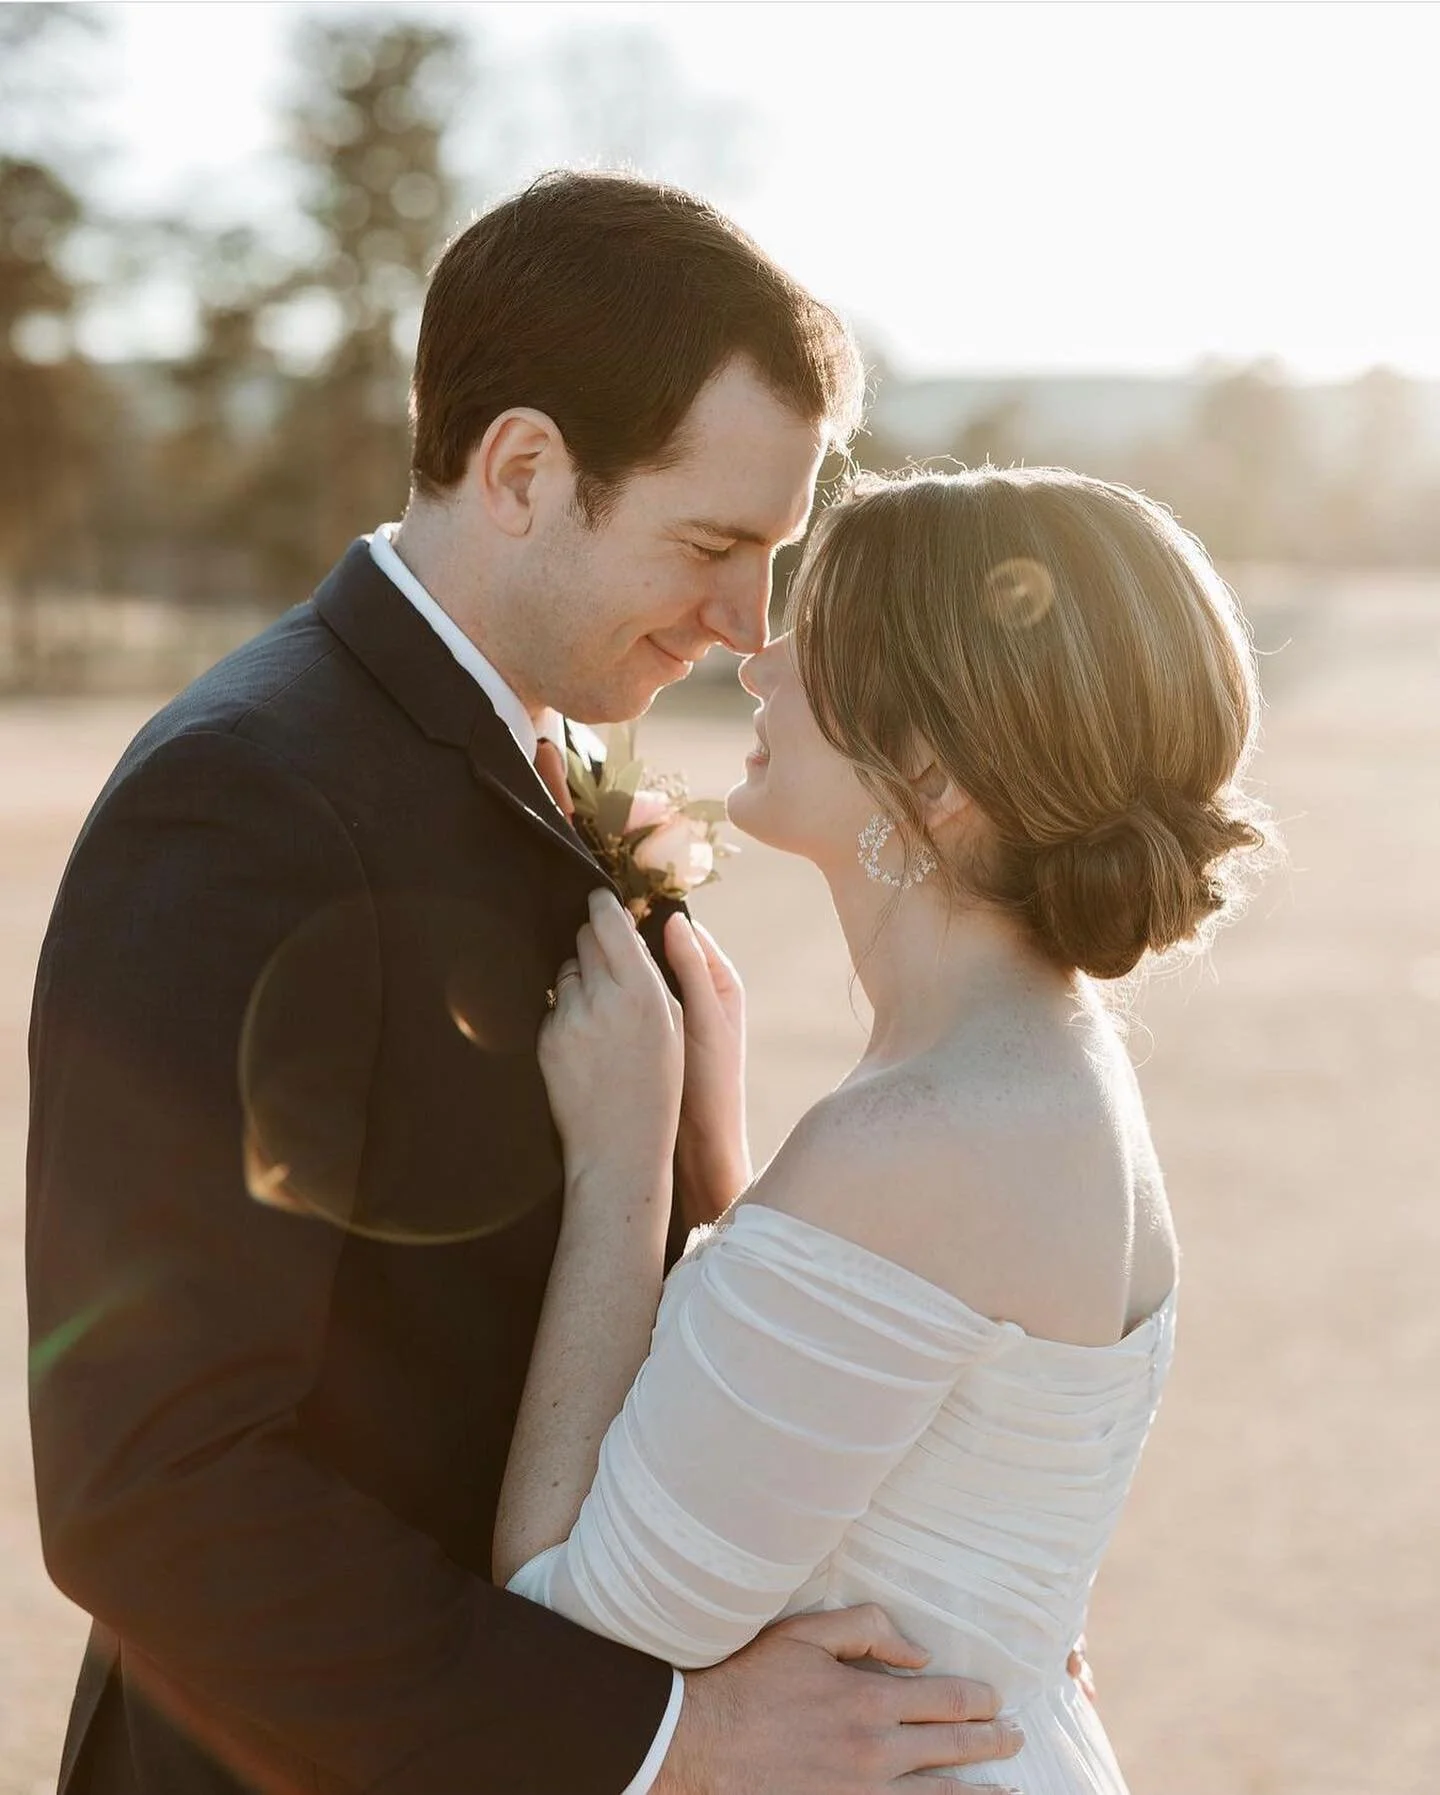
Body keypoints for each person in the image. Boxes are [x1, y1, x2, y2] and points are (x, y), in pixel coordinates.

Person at [27, 173, 1027, 1795]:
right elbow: (153, 1489)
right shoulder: (242, 804)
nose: (742, 622)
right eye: (712, 544)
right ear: (522, 470)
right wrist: (667, 1737)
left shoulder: (543, 756)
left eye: (772, 554)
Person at [494, 467, 1268, 1792]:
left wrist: (622, 1162)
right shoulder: (1039, 1063)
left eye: (825, 633)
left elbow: (572, 1639)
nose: (759, 661)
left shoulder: (931, 1135)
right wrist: (718, 1150)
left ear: (934, 771)